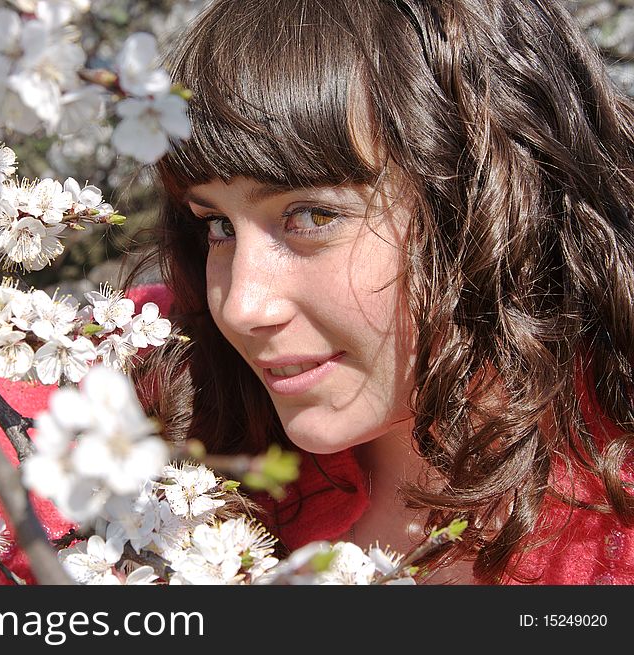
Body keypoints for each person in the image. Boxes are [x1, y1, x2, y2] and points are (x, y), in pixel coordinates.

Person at [131, 0, 634, 584]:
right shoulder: (138, 377)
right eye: (217, 226)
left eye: (311, 216)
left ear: (491, 203)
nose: (242, 307)